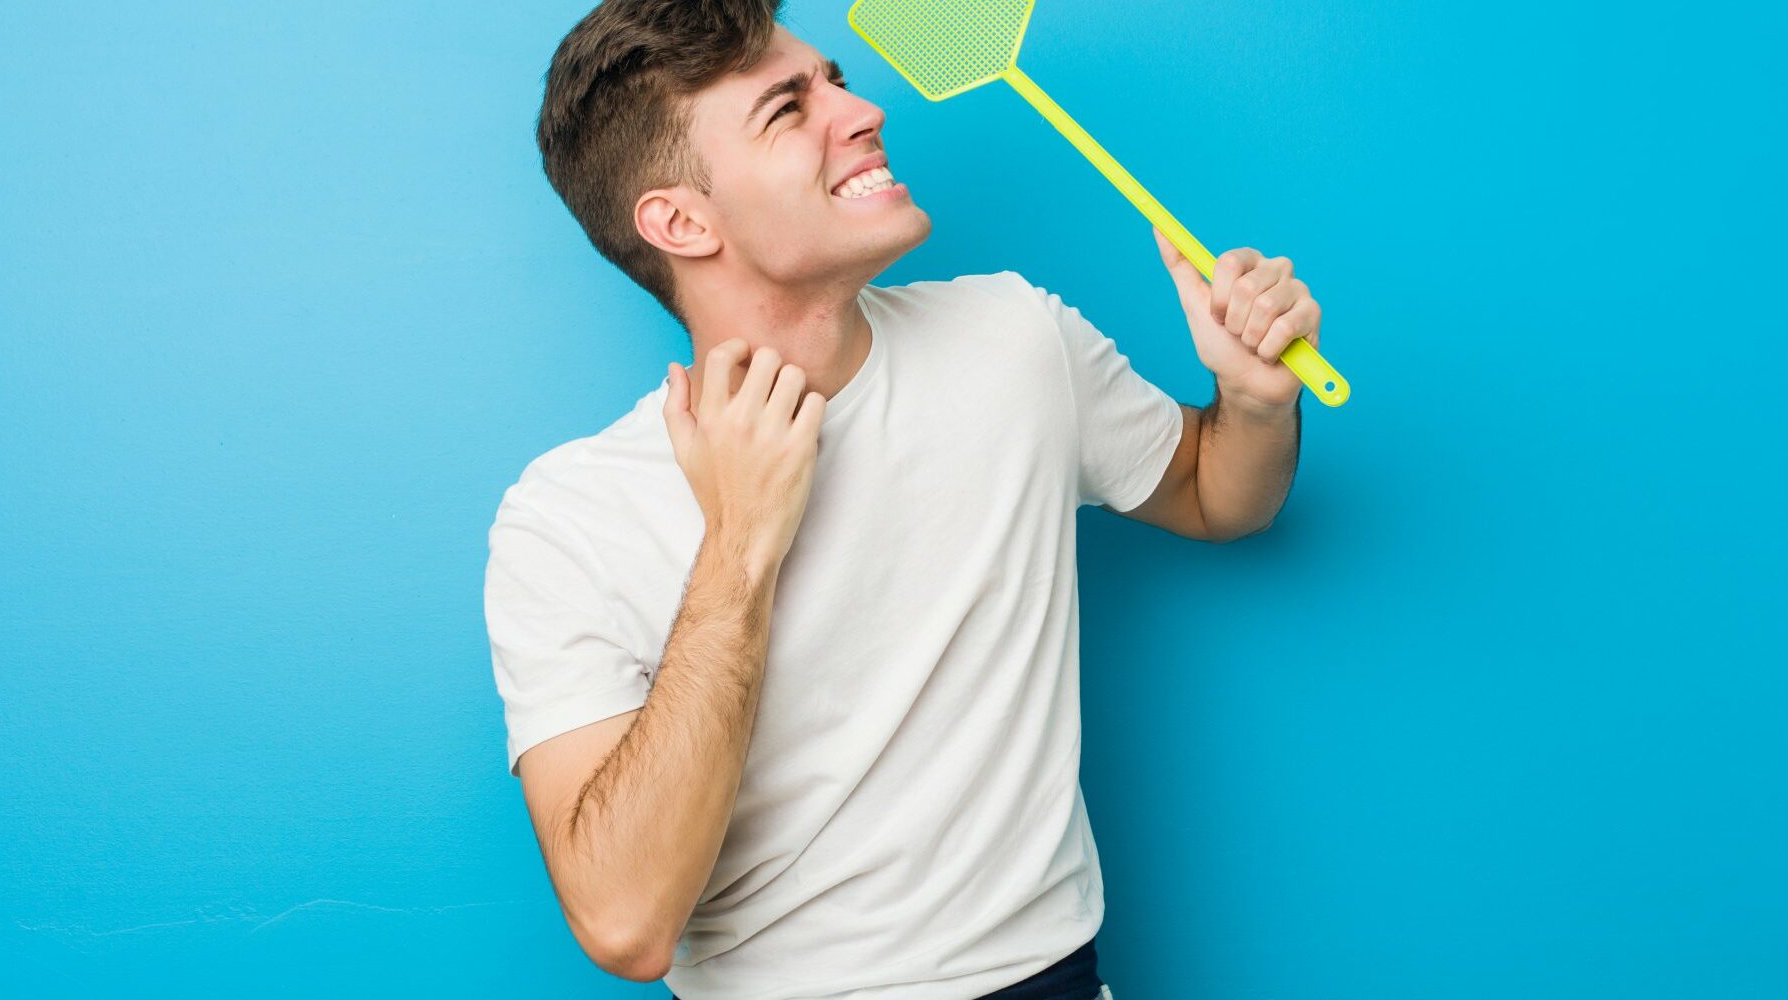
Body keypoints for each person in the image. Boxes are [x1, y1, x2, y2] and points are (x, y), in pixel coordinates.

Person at [485, 2, 1317, 996]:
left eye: (834, 81)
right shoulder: (568, 519)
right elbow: (625, 925)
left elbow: (1214, 494)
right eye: (787, 109)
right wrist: (741, 541)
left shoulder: (1013, 341)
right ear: (681, 222)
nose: (864, 111)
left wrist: (1254, 399)